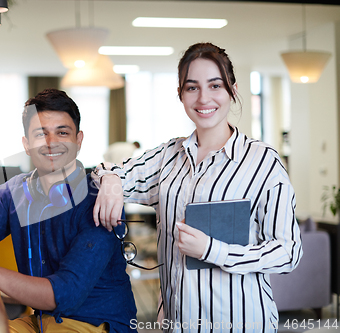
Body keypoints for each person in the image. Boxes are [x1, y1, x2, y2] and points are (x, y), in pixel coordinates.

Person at [92, 43, 302, 332]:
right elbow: (107, 171)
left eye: (215, 85)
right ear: (180, 94)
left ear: (233, 90)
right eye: (192, 88)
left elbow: (288, 252)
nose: (204, 98)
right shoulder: (167, 156)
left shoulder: (262, 161)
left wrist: (213, 250)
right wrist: (111, 180)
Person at [0, 88, 137, 333]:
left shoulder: (100, 199)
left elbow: (64, 294)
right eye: (40, 134)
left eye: (62, 132)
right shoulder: (14, 192)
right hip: (40, 321)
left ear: (78, 140)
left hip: (97, 324)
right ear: (26, 144)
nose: (51, 143)